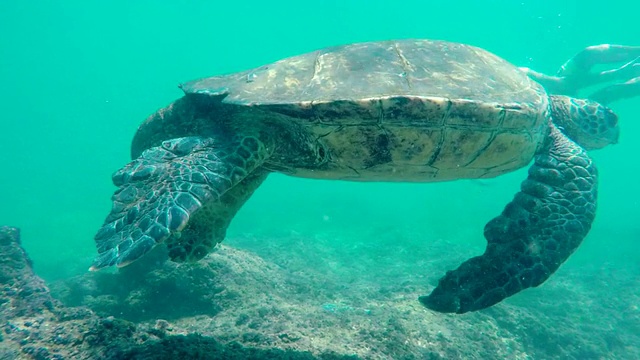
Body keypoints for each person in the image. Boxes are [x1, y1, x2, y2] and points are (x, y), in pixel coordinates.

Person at [519, 44, 640, 105]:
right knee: (611, 93)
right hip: (553, 113)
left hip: (554, 97)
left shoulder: (520, 73)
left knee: (590, 54)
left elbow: (565, 85)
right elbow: (565, 86)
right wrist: (616, 74)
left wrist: (617, 74)